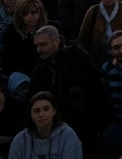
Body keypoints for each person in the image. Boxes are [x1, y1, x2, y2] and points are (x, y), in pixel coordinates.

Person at [27, 26, 109, 155]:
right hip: (56, 127)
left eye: (43, 45)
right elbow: (34, 96)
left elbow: (95, 91)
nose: (39, 49)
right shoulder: (41, 67)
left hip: (84, 124)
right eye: (37, 46)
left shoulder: (78, 58)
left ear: (56, 41)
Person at [8, 92, 83, 159]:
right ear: (30, 114)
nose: (41, 114)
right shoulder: (20, 139)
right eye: (36, 111)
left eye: (46, 109)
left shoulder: (68, 135)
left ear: (54, 111)